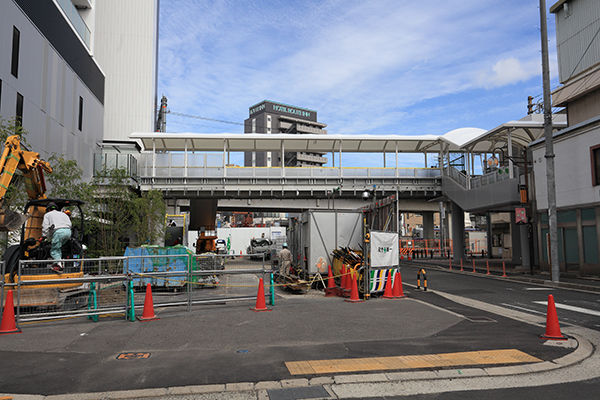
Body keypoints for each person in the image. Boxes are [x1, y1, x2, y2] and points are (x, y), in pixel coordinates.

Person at [42, 202, 72, 273]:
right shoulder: (64, 214)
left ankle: (58, 266)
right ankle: (58, 262)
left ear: (48, 209)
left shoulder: (47, 215)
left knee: (54, 250)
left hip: (59, 232)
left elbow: (45, 227)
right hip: (68, 232)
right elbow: (70, 224)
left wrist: (44, 236)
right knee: (59, 247)